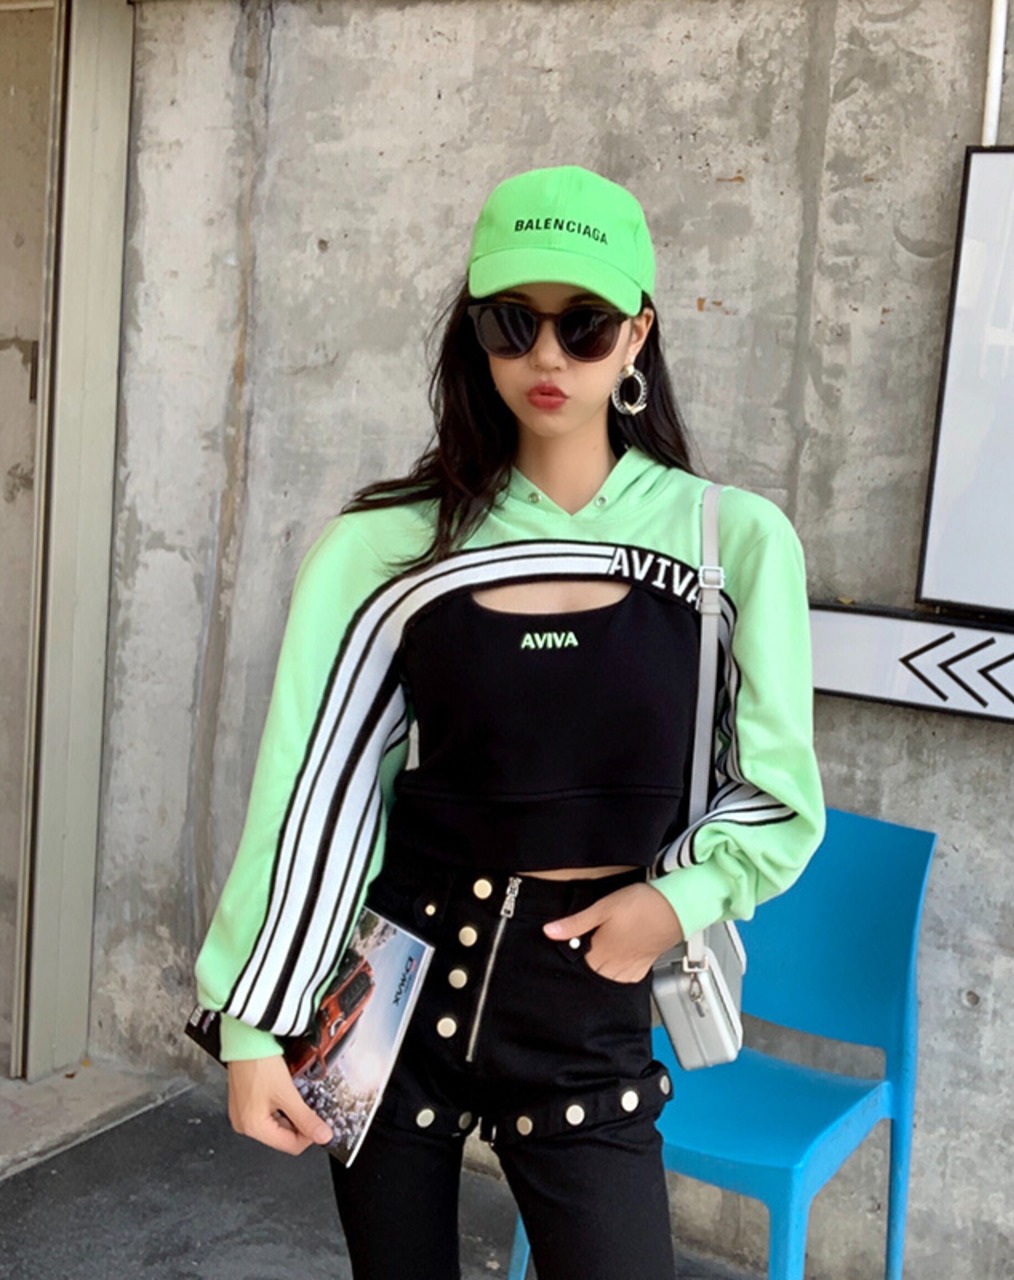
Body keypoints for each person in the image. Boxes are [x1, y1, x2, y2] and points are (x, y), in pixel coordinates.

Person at [193, 164, 825, 1280]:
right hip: (393, 983)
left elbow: (775, 792)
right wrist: (253, 1022)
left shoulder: (730, 541)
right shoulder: (384, 545)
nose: (546, 355)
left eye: (583, 325)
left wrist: (676, 902)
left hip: (588, 1002)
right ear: (474, 334)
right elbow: (314, 790)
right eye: (510, 321)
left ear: (637, 335)